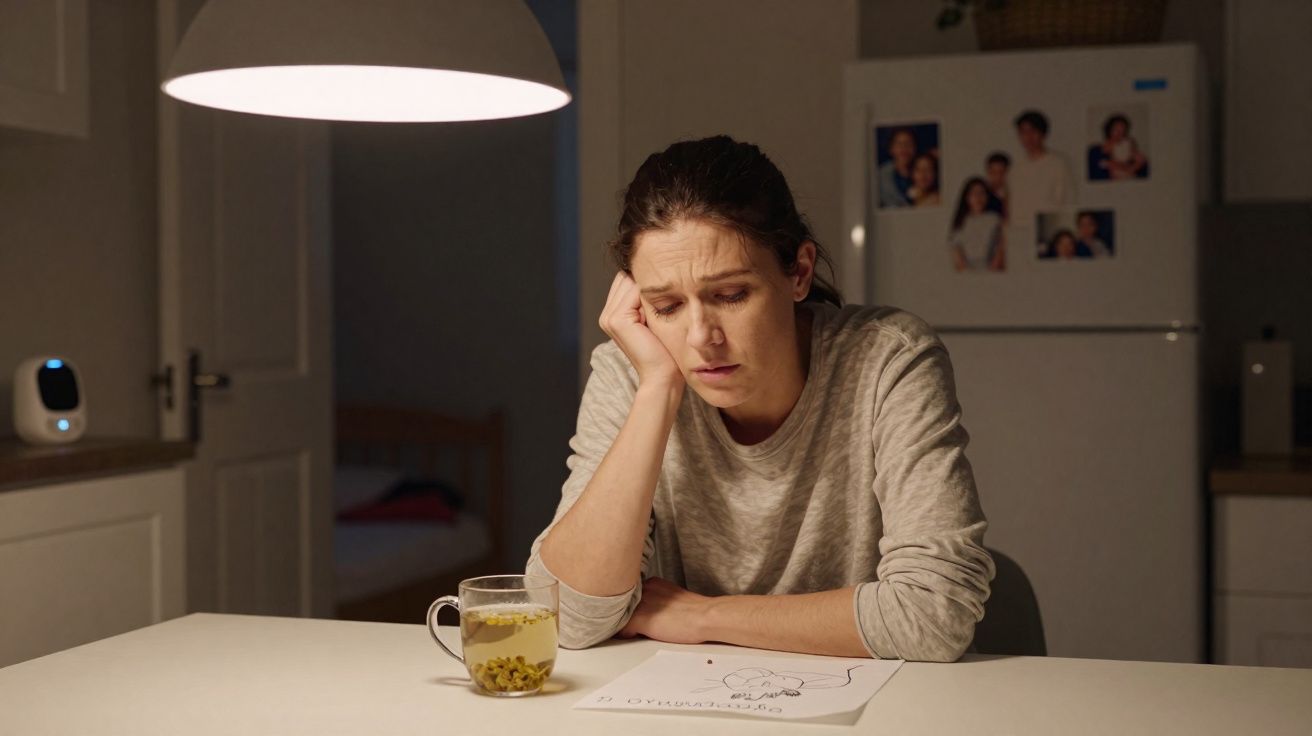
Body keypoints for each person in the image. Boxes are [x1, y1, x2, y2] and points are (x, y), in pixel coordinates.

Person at [527, 135, 994, 662]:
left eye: (730, 295)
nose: (701, 338)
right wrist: (658, 388)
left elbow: (935, 613)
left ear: (797, 272)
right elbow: (565, 615)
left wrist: (705, 616)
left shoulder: (889, 359)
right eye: (666, 305)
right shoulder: (634, 369)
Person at [1008, 110, 1073, 227]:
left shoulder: (1059, 163)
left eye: (1033, 131)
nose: (1028, 137)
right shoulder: (1015, 168)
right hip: (1020, 229)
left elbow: (1067, 201)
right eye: (1023, 132)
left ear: (1043, 133)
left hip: (1047, 228)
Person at [948, 177, 1005, 272]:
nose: (978, 198)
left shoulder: (994, 219)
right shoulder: (960, 220)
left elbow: (1001, 247)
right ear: (967, 197)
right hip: (966, 274)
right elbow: (955, 249)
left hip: (990, 271)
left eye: (981, 193)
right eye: (974, 194)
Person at [1087, 114, 1148, 181]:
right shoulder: (1094, 151)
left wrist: (1131, 167)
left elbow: (1141, 163)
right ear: (1108, 130)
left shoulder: (1127, 146)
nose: (1119, 134)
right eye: (1116, 129)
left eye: (1123, 131)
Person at [876, 128, 917, 208]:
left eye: (908, 144)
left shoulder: (924, 171)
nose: (904, 148)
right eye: (899, 144)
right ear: (891, 149)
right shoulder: (880, 175)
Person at [984, 152, 1010, 219]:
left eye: (1002, 172)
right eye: (993, 172)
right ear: (988, 172)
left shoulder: (1016, 195)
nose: (998, 177)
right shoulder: (982, 198)